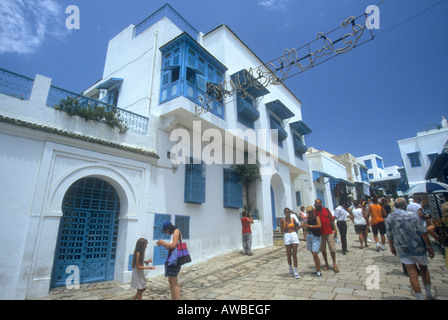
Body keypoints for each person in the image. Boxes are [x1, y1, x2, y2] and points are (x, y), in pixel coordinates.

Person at [386, 198, 435, 300]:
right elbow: (423, 232)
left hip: (403, 248)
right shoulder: (412, 215)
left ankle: (420, 297)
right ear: (405, 205)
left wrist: (392, 247)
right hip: (418, 246)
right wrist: (429, 246)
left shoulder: (390, 217)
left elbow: (389, 235)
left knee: (412, 273)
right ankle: (429, 294)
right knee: (424, 270)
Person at [156, 222, 182, 300]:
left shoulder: (176, 232)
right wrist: (162, 244)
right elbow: (169, 247)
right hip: (171, 258)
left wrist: (163, 242)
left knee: (174, 281)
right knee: (171, 280)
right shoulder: (173, 234)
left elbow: (173, 245)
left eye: (166, 231)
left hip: (175, 259)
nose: (166, 233)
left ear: (168, 229)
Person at [314, 199, 339, 273]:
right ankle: (326, 264)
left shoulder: (326, 210)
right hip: (320, 234)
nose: (318, 204)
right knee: (323, 250)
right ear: (315, 204)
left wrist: (335, 229)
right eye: (316, 203)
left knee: (332, 249)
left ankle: (334, 264)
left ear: (321, 203)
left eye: (319, 203)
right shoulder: (315, 212)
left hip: (329, 232)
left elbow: (331, 220)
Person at [280, 207, 301, 279]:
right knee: (288, 254)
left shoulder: (293, 219)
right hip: (287, 235)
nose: (287, 213)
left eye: (288, 212)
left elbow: (296, 228)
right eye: (286, 212)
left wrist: (301, 226)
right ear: (284, 213)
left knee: (294, 254)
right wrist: (286, 225)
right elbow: (282, 230)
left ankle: (296, 271)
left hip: (293, 235)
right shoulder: (282, 220)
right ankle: (290, 268)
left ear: (290, 213)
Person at [303, 205, 322, 278]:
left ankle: (319, 270)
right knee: (313, 253)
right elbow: (306, 226)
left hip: (315, 236)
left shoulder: (316, 217)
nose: (309, 214)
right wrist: (304, 226)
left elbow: (319, 226)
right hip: (309, 236)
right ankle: (317, 268)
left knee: (315, 253)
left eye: (310, 212)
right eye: (307, 212)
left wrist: (310, 226)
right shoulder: (308, 218)